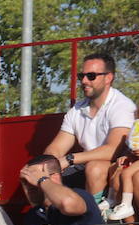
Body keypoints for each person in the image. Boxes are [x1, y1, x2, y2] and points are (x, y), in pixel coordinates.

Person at [42, 52, 136, 207]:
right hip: (85, 164)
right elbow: (57, 147)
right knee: (41, 174)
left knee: (95, 168)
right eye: (82, 76)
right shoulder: (77, 109)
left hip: (117, 164)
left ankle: (97, 223)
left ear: (108, 78)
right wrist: (48, 167)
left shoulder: (122, 106)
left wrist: (69, 159)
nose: (84, 81)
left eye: (91, 76)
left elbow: (112, 150)